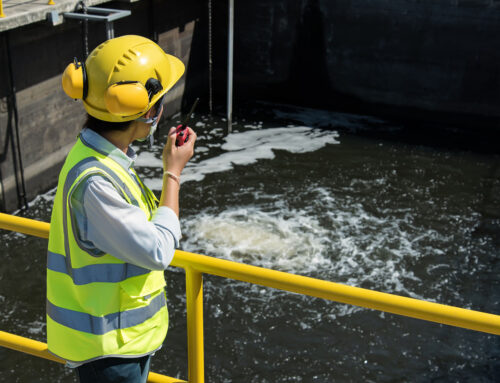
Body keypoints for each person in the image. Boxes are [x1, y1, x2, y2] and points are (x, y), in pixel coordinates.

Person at [46, 35, 196, 382]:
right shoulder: (97, 182)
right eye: (158, 104)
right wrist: (173, 173)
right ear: (148, 112)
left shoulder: (97, 158)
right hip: (109, 350)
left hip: (120, 341)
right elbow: (158, 250)